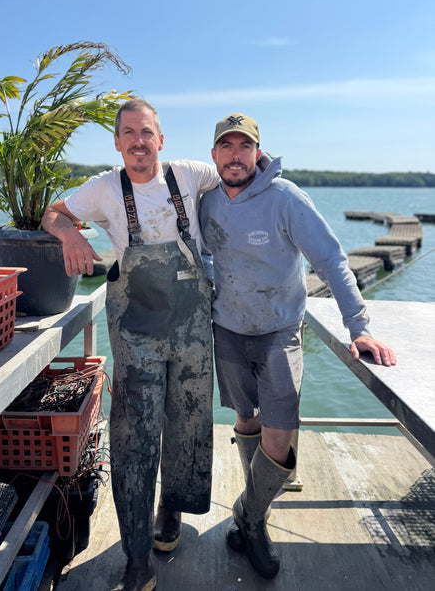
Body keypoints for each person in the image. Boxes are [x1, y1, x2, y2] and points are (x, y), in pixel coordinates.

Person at [199, 112, 397, 580]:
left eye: (243, 146)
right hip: (227, 329)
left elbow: (330, 258)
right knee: (246, 419)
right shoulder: (206, 201)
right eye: (226, 146)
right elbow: (202, 251)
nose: (234, 154)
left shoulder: (286, 198)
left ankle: (248, 513)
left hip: (279, 330)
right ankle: (256, 520)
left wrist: (358, 327)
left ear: (257, 152)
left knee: (281, 432)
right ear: (214, 155)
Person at [41, 98, 220, 591]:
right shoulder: (103, 188)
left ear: (161, 140)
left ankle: (172, 510)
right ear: (117, 142)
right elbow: (52, 213)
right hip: (137, 332)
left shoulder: (189, 175)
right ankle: (136, 556)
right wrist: (70, 238)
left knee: (189, 426)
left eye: (147, 133)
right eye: (129, 134)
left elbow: (241, 171)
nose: (139, 142)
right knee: (134, 440)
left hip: (191, 330)